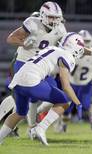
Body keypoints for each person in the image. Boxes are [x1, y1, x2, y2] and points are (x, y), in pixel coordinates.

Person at [0, 32, 84, 146]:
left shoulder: (52, 48)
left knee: (20, 112)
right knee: (63, 101)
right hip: (31, 80)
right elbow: (66, 86)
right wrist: (78, 103)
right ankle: (41, 128)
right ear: (76, 47)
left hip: (18, 79)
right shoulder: (67, 56)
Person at [0, 1, 67, 137]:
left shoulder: (61, 29)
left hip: (41, 68)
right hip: (22, 64)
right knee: (18, 103)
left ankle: (32, 125)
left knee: (53, 97)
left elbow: (63, 47)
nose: (54, 21)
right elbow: (10, 39)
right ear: (42, 15)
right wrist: (23, 43)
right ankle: (29, 127)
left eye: (56, 17)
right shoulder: (32, 23)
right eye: (51, 17)